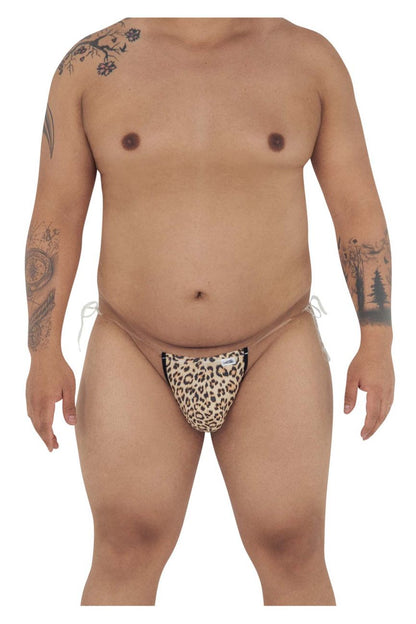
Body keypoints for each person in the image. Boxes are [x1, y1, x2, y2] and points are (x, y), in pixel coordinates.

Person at [24, 17, 395, 606]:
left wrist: (377, 339)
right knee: (124, 548)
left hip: (276, 342)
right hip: (132, 345)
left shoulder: (310, 60)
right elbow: (56, 214)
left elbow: (356, 207)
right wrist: (42, 351)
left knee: (293, 549)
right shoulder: (90, 66)